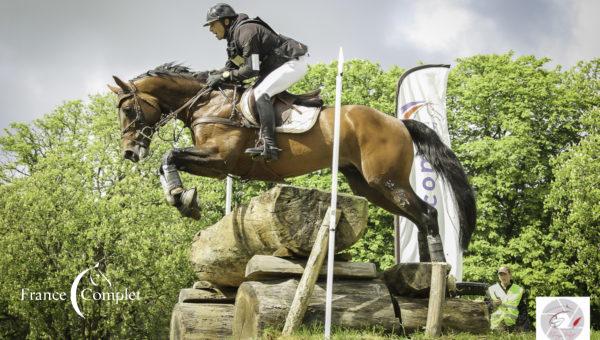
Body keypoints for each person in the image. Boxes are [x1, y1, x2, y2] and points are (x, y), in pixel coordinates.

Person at [203, 3, 309, 161]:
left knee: (261, 93)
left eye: (212, 24)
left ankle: (270, 145)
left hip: (293, 62)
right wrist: (211, 75)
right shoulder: (233, 39)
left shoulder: (246, 32)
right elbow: (232, 66)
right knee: (252, 93)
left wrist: (224, 76)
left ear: (225, 22)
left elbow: (251, 70)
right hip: (277, 66)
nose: (211, 29)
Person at [487, 265, 531, 332]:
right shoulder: (492, 289)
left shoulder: (519, 290)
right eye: (500, 275)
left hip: (514, 326)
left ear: (510, 275)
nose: (503, 277)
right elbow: (485, 307)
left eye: (505, 274)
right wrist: (493, 304)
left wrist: (519, 326)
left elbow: (523, 310)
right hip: (496, 327)